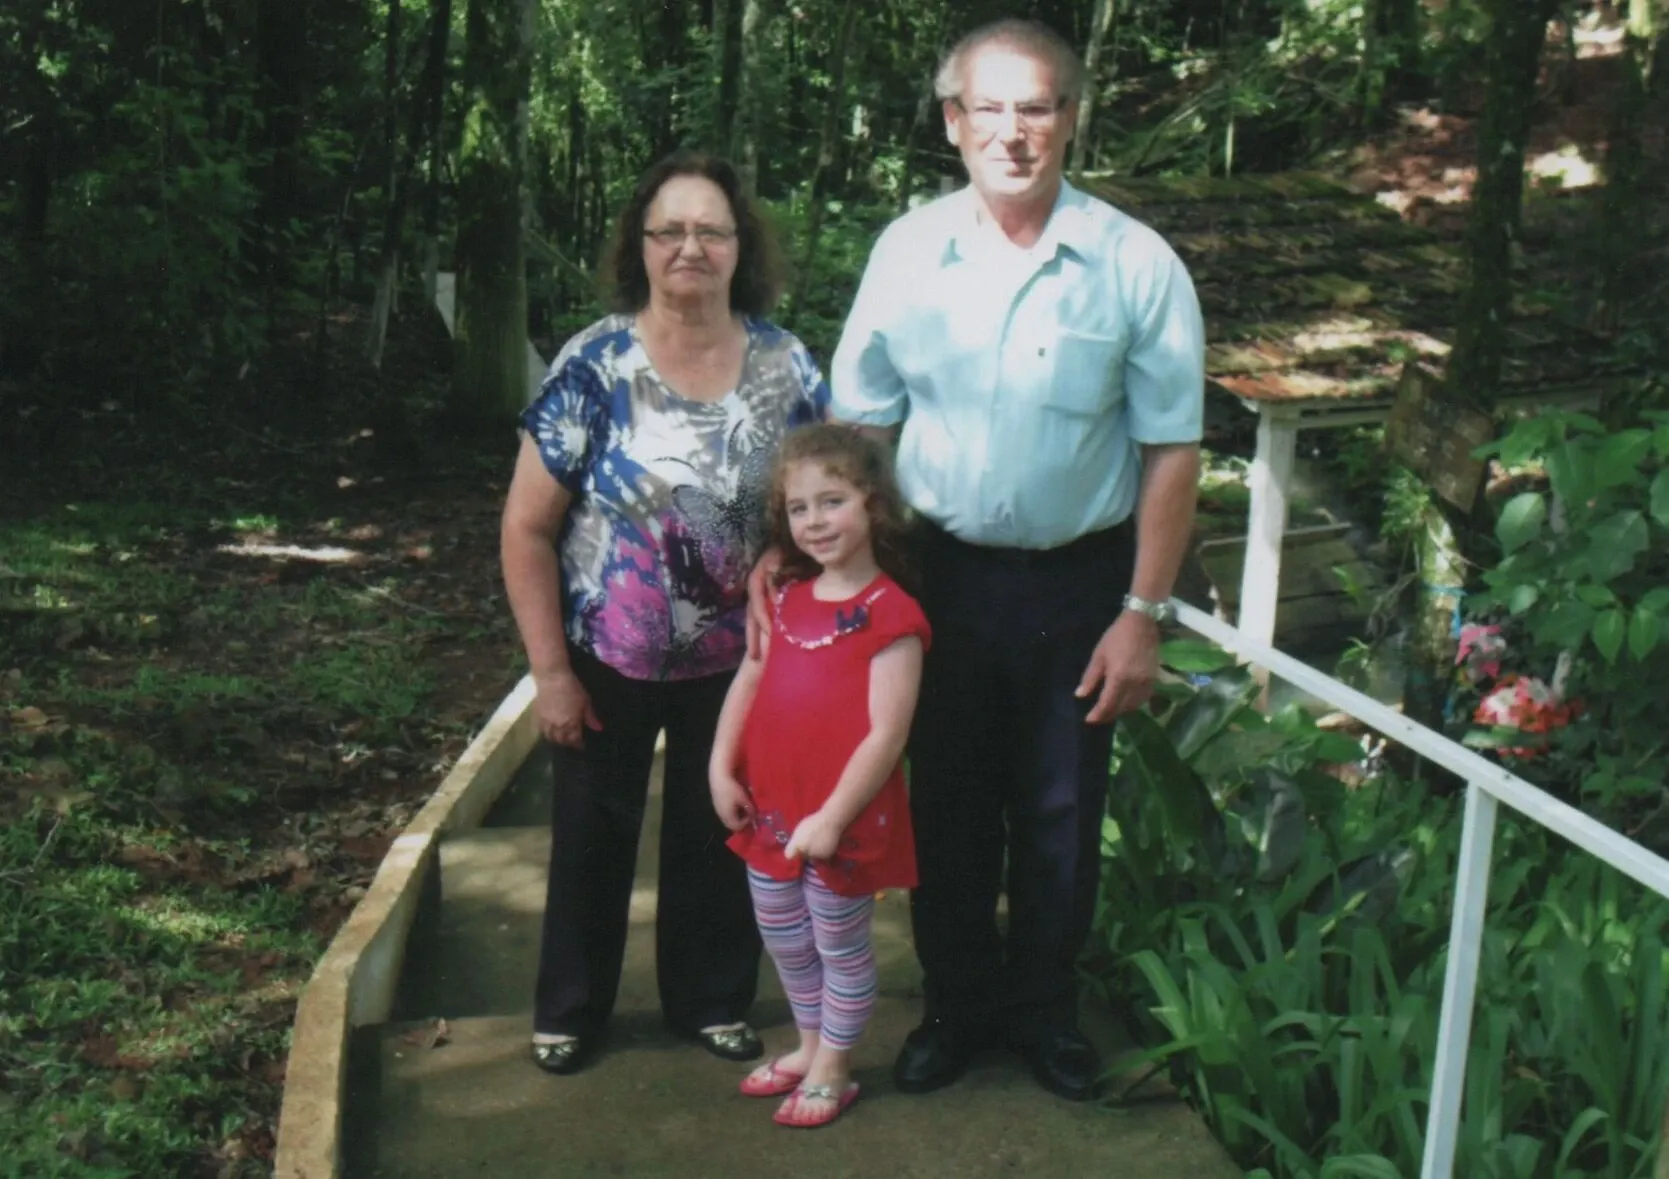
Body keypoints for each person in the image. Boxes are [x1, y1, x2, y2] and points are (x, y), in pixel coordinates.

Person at [825, 19, 1206, 1101]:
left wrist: (1143, 612)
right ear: (952, 123)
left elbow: (1170, 451)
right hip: (935, 575)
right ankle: (955, 1009)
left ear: (1071, 119)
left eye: (1035, 107)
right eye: (987, 108)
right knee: (942, 801)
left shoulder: (1135, 263)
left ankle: (1043, 1013)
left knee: (1059, 810)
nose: (1012, 132)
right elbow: (860, 428)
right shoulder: (906, 251)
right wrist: (849, 583)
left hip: (1080, 584)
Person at [501, 149, 830, 1077]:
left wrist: (793, 555)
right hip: (607, 652)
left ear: (740, 246)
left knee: (719, 827)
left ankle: (711, 1000)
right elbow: (526, 529)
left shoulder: (787, 363)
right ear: (640, 247)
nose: (691, 247)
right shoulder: (595, 363)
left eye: (711, 230)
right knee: (590, 837)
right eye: (670, 231)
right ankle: (569, 1010)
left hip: (741, 658)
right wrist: (551, 673)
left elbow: (831, 497)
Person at [710, 424, 929, 1128]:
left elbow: (887, 731)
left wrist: (833, 816)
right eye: (798, 508)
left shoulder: (891, 613)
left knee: (837, 941)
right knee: (785, 937)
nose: (814, 521)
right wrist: (719, 766)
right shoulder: (784, 595)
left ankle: (836, 1063)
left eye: (831, 501)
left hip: (839, 816)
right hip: (771, 806)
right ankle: (808, 1045)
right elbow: (749, 677)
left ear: (872, 504)